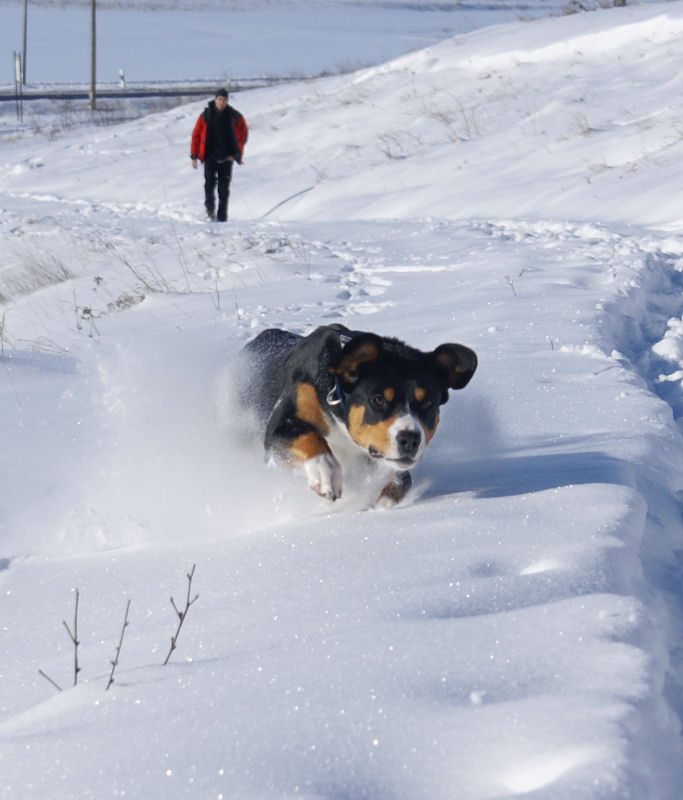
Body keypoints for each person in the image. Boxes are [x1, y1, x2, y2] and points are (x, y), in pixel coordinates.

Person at [190, 88, 248, 222]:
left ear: (227, 101)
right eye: (219, 99)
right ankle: (210, 210)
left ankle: (222, 217)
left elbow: (243, 131)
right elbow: (196, 135)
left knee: (223, 189)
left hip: (227, 157)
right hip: (209, 156)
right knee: (209, 184)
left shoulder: (234, 116)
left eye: (224, 100)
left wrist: (236, 151)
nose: (222, 102)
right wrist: (194, 156)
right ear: (215, 100)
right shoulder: (206, 115)